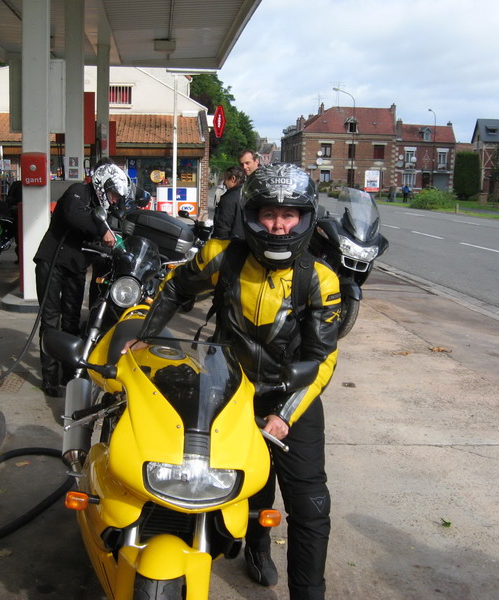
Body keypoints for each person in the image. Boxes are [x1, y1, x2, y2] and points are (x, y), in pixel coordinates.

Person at [123, 163, 340, 599]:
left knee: (310, 505)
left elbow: (321, 359)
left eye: (289, 215)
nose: (278, 226)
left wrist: (284, 415)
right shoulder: (221, 255)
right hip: (228, 391)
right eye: (268, 214)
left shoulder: (320, 278)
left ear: (305, 218)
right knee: (241, 484)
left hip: (292, 396)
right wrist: (142, 336)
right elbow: (175, 287)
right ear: (251, 215)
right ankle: (256, 550)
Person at [33, 161, 132, 396]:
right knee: (50, 319)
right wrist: (102, 230)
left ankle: (70, 375)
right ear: (102, 184)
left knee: (72, 320)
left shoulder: (102, 209)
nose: (114, 200)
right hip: (52, 262)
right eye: (113, 195)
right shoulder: (78, 192)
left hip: (76, 266)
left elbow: (109, 229)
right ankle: (49, 378)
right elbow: (74, 215)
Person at [211, 165, 246, 239]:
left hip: (230, 242)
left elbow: (222, 228)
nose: (224, 183)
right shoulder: (247, 195)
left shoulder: (228, 199)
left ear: (233, 179)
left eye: (226, 179)